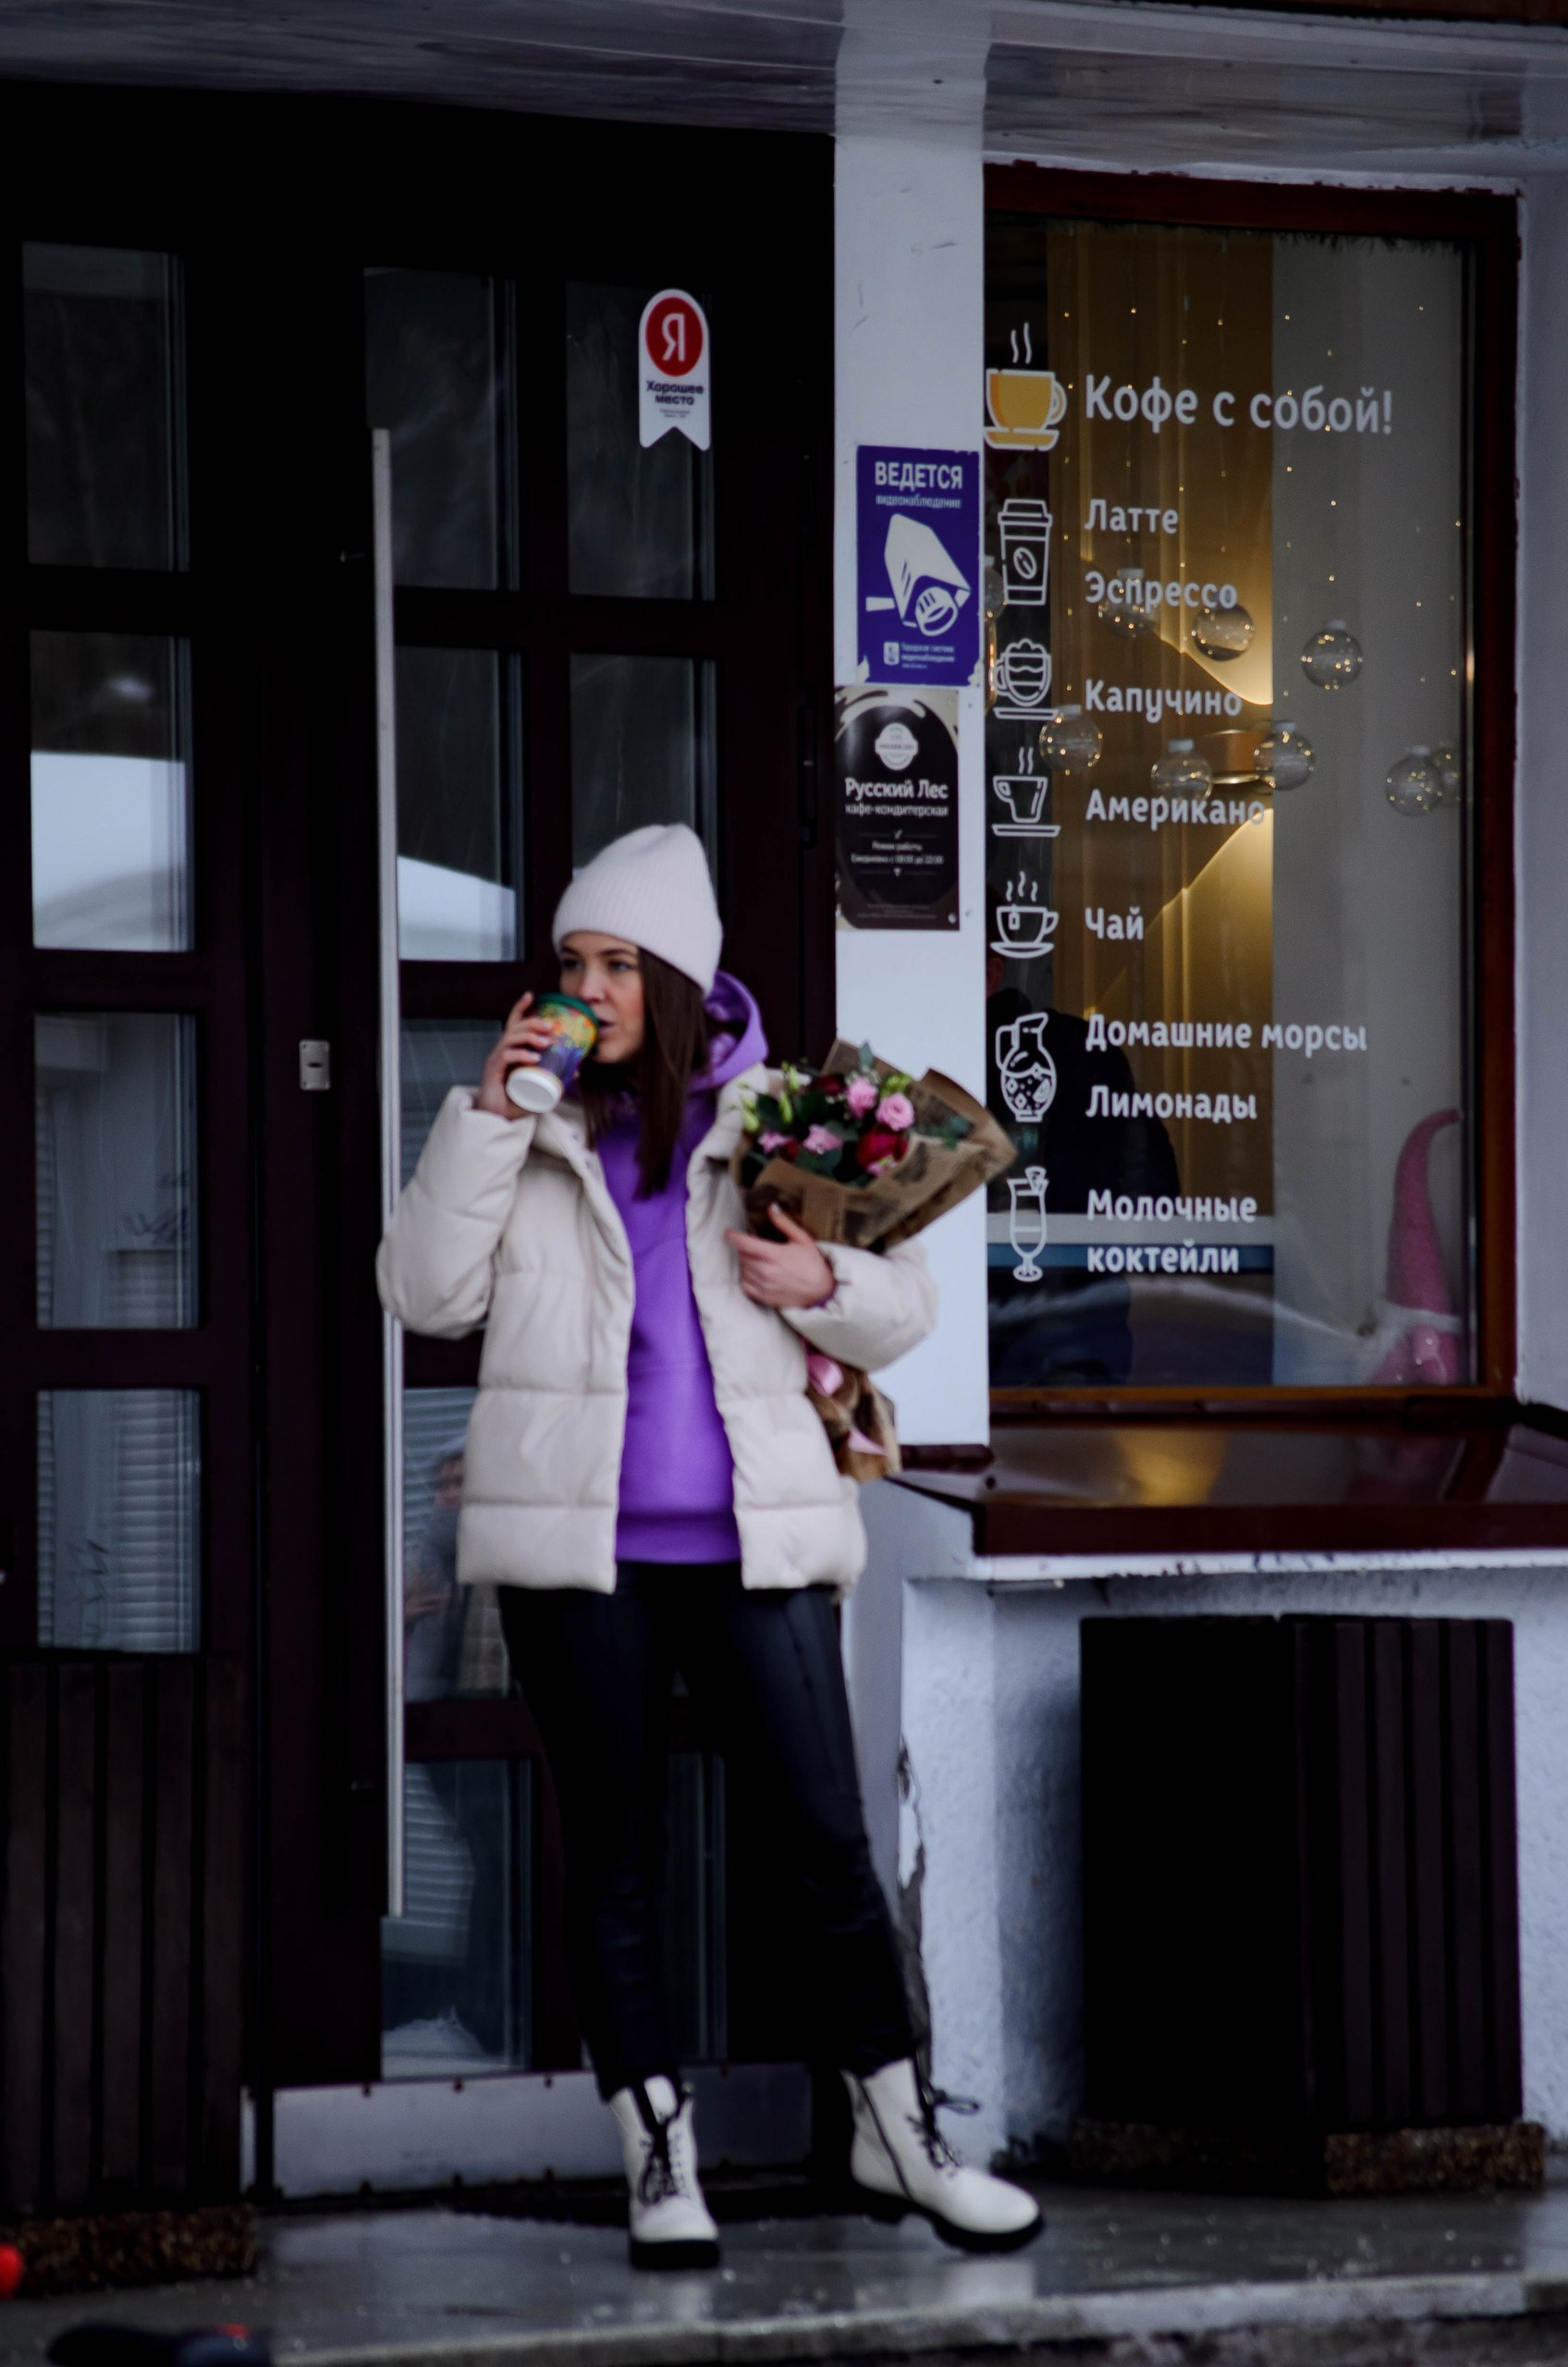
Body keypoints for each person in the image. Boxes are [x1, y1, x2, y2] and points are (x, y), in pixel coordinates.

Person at [377, 824, 1041, 2270]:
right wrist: (485, 1113)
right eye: (574, 962)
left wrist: (823, 1276)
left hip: (761, 1542)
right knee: (614, 1859)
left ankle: (898, 2134)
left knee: (826, 1844)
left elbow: (904, 1309)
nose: (589, 989)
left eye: (619, 964)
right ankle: (657, 2153)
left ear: (677, 977)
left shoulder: (784, 1115)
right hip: (580, 1554)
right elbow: (424, 1295)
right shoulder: (532, 1127)